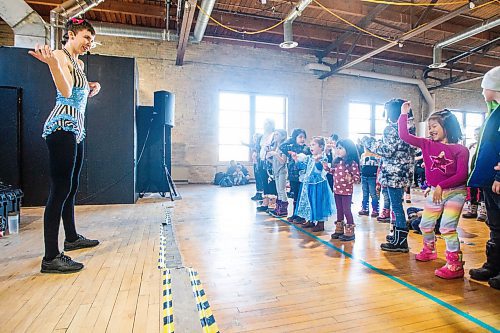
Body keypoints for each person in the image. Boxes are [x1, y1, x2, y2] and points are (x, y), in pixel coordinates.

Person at [29, 18, 100, 274]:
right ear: (71, 35)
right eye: (86, 39)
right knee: (60, 188)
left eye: (91, 41)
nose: (88, 44)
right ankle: (50, 257)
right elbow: (67, 91)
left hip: (76, 129)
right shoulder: (59, 55)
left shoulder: (78, 63)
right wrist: (52, 65)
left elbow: (80, 87)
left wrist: (94, 85)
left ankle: (71, 238)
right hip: (62, 126)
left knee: (72, 186)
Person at [399, 102, 468, 279]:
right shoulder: (427, 144)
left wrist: (440, 186)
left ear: (447, 127)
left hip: (455, 193)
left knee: (447, 228)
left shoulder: (460, 150)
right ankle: (429, 250)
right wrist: (404, 114)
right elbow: (405, 135)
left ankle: (455, 264)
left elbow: (462, 175)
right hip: (436, 192)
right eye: (429, 127)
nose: (430, 130)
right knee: (425, 225)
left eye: (434, 126)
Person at [361, 99, 415, 252]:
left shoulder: (392, 128)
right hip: (404, 172)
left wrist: (369, 142)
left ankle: (400, 242)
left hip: (393, 173)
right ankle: (397, 236)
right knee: (397, 206)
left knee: (396, 207)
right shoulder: (409, 127)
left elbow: (387, 150)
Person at [468, 66, 500, 289]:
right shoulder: (494, 112)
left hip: (497, 178)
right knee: (495, 224)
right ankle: (493, 264)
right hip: (489, 179)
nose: (481, 92)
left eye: (484, 87)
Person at [290, 137, 334, 232]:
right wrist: (296, 160)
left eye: (313, 145)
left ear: (321, 147)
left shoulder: (323, 157)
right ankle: (310, 219)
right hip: (309, 184)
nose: (311, 147)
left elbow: (320, 169)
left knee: (319, 202)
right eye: (310, 145)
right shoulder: (309, 158)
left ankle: (320, 223)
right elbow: (302, 167)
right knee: (309, 201)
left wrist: (318, 161)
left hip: (318, 184)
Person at [325, 139, 361, 241]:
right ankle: (339, 228)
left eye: (340, 148)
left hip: (346, 191)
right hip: (337, 190)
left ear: (348, 150)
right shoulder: (337, 162)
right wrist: (327, 169)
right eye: (337, 148)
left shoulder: (352, 163)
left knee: (346, 210)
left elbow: (357, 178)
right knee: (339, 210)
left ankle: (350, 230)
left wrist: (351, 179)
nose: (338, 150)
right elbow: (334, 172)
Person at [280, 129, 309, 223]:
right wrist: (291, 139)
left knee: (301, 196)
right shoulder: (291, 147)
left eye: (304, 137)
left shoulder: (306, 149)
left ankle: (301, 216)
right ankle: (295, 214)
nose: (302, 139)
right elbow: (281, 146)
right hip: (292, 176)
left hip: (302, 176)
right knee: (295, 196)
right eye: (300, 137)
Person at [462, 127, 486, 221]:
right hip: (472, 172)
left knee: (483, 192)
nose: (476, 136)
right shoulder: (471, 146)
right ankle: (473, 210)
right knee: (472, 191)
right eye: (475, 134)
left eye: (478, 134)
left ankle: (483, 211)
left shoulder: (484, 145)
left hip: (482, 172)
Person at [256, 119, 278, 212]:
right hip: (262, 160)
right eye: (265, 123)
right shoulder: (262, 136)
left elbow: (275, 147)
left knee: (271, 182)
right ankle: (265, 202)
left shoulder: (274, 135)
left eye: (268, 123)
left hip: (270, 161)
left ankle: (272, 203)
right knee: (264, 182)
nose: (266, 125)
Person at [268, 129, 288, 217]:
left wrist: (275, 154)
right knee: (278, 191)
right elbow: (275, 161)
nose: (275, 136)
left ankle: (284, 210)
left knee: (282, 190)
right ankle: (278, 208)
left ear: (283, 136)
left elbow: (283, 161)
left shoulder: (284, 147)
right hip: (276, 171)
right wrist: (268, 157)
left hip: (282, 171)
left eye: (277, 134)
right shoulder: (276, 146)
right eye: (274, 134)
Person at [358, 146, 380, 218]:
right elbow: (361, 165)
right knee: (365, 193)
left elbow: (379, 167)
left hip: (372, 177)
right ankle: (364, 208)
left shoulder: (377, 155)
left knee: (373, 194)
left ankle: (375, 209)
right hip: (364, 176)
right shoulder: (363, 155)